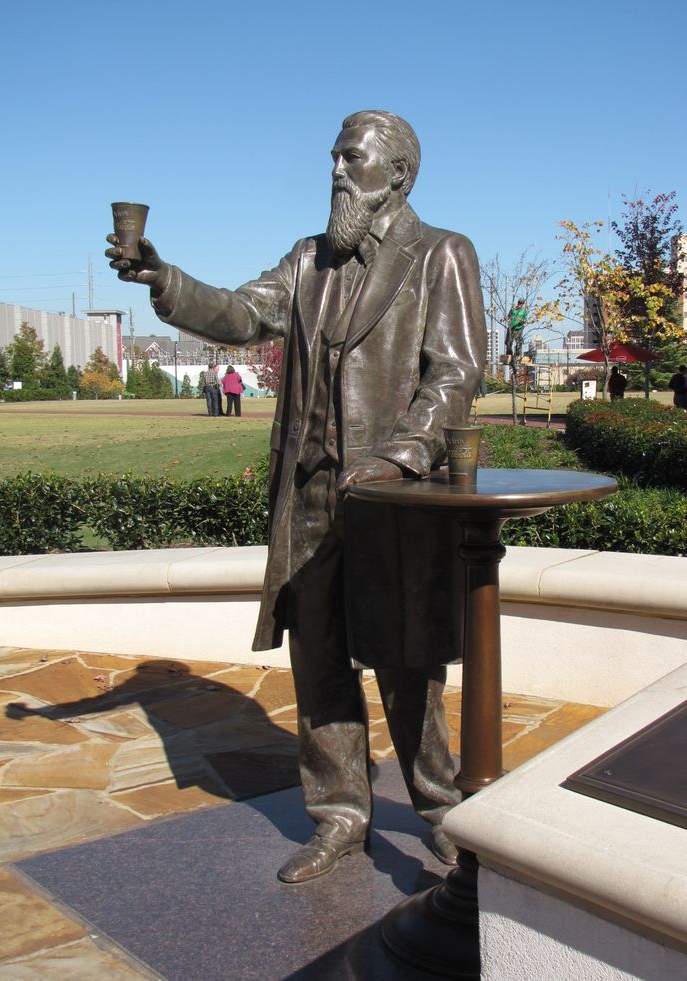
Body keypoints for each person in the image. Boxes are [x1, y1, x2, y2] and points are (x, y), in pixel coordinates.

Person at [106, 109, 486, 884]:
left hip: (392, 498)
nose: (337, 170)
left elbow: (455, 373)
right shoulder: (306, 262)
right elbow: (243, 314)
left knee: (408, 660)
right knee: (318, 662)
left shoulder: (441, 254)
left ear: (398, 175)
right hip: (311, 494)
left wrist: (401, 454)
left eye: (354, 158)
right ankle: (340, 814)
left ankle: (443, 810)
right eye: (334, 158)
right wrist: (162, 275)